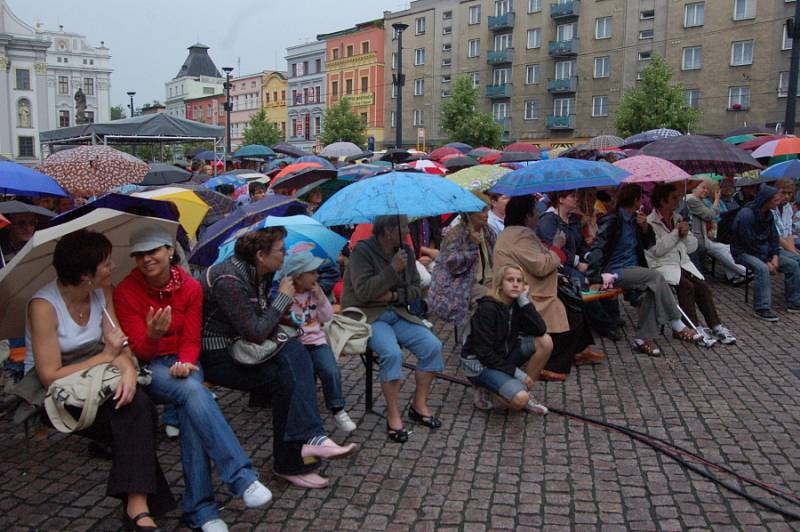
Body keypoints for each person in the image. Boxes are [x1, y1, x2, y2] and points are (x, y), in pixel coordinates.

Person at [113, 226, 271, 532]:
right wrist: (153, 335)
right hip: (149, 365)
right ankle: (240, 477)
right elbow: (139, 351)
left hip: (183, 361)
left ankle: (201, 511)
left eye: (153, 252)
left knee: (191, 410)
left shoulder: (190, 286)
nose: (147, 260)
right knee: (193, 392)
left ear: (169, 251)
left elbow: (191, 336)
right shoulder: (126, 291)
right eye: (140, 255)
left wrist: (186, 361)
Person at [25, 230, 174, 531]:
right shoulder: (43, 306)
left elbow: (119, 345)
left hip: (99, 372)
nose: (112, 268)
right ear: (85, 275)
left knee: (136, 404)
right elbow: (49, 374)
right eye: (105, 264)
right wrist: (109, 357)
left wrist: (129, 369)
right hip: (59, 387)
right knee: (132, 418)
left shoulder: (101, 292)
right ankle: (142, 506)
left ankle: (138, 507)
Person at [200, 227, 356, 489]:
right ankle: (301, 450)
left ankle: (301, 451)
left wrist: (287, 316)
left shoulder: (259, 273)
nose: (285, 255)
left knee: (293, 360)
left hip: (243, 346)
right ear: (261, 255)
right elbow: (257, 331)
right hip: (219, 355)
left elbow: (261, 321)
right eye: (281, 251)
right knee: (288, 372)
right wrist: (284, 297)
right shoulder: (229, 278)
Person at [341, 215, 444, 443]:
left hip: (397, 312)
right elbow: (364, 293)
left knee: (432, 347)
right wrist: (392, 269)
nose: (408, 231)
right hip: (368, 316)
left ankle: (419, 405)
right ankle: (393, 415)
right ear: (388, 230)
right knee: (391, 353)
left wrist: (393, 295)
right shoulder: (362, 251)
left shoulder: (405, 249)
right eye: (404, 226)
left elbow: (417, 288)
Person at [494, 195, 603, 380]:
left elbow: (539, 256)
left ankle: (580, 349)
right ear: (527, 216)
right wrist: (557, 247)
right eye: (535, 212)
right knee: (569, 308)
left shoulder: (520, 233)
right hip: (524, 290)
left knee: (575, 299)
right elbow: (541, 265)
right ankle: (554, 365)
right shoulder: (519, 236)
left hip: (531, 282)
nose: (538, 215)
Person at [586, 184, 700, 357]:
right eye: (641, 199)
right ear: (635, 200)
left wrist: (645, 228)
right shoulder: (614, 219)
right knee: (656, 276)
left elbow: (649, 245)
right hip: (615, 270)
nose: (643, 203)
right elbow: (598, 248)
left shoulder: (636, 220)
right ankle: (677, 323)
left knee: (650, 292)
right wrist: (594, 277)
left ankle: (642, 339)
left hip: (634, 269)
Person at [645, 184, 736, 346]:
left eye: (678, 198)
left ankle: (716, 325)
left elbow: (692, 247)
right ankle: (692, 327)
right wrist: (676, 233)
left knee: (702, 286)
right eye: (673, 198)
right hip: (662, 266)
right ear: (661, 200)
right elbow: (657, 251)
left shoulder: (678, 218)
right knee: (686, 287)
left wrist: (686, 234)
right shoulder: (650, 222)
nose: (677, 201)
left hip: (681, 263)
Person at [276, 251, 356, 433]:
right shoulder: (286, 295)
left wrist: (321, 299)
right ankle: (307, 414)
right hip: (296, 344)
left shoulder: (315, 292)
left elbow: (326, 317)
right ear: (298, 276)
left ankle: (337, 409)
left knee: (330, 370)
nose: (317, 276)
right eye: (312, 272)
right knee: (304, 379)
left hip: (316, 340)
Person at [461, 264, 553, 414]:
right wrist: (518, 374)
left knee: (545, 341)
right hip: (480, 364)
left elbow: (540, 330)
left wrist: (524, 301)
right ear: (500, 284)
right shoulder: (487, 309)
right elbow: (484, 354)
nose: (515, 284)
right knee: (519, 401)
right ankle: (486, 388)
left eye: (519, 280)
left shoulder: (518, 304)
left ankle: (520, 390)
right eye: (510, 280)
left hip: (502, 356)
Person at [537, 190, 622, 340]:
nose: (576, 199)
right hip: (560, 265)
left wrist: (589, 258)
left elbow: (581, 244)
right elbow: (554, 248)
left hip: (578, 262)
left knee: (605, 276)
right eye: (572, 196)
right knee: (582, 285)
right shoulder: (548, 220)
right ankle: (605, 325)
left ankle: (613, 317)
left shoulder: (574, 220)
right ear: (561, 198)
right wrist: (577, 263)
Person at [731, 184, 800, 321]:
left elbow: (774, 238)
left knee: (793, 264)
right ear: (766, 200)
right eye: (775, 200)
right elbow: (749, 243)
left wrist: (774, 256)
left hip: (765, 251)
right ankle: (761, 307)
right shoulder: (746, 215)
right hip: (743, 251)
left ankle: (794, 301)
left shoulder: (768, 214)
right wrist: (766, 261)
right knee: (762, 268)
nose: (778, 202)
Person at [429, 204, 495, 328]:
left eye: (487, 209)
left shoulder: (488, 231)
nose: (486, 214)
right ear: (469, 214)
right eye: (481, 210)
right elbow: (452, 264)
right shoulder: (455, 234)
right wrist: (471, 244)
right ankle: (473, 338)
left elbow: (494, 258)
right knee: (490, 300)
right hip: (460, 283)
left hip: (487, 279)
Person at [685, 179, 747, 284]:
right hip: (698, 240)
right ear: (695, 188)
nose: (705, 191)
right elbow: (709, 215)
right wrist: (717, 200)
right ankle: (743, 271)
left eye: (707, 189)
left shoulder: (699, 200)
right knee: (721, 249)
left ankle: (733, 276)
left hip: (705, 236)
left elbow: (714, 215)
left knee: (724, 248)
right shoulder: (692, 200)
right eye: (702, 188)